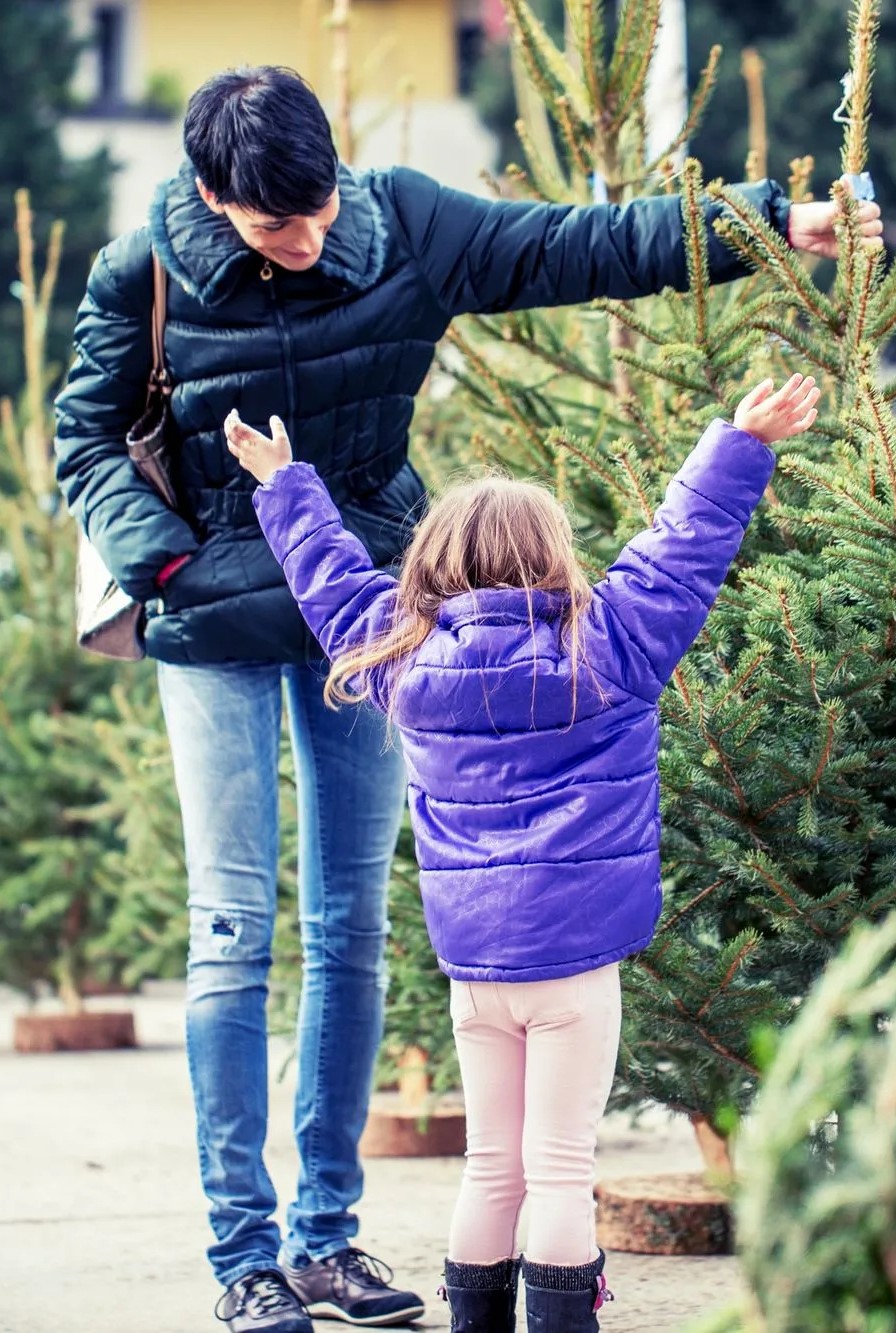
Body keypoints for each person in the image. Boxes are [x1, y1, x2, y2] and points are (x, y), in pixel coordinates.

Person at [53, 64, 878, 1333]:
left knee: (347, 925)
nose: (313, 236)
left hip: (380, 617)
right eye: (280, 223)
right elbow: (86, 437)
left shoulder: (402, 226)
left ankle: (327, 1239)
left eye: (321, 205)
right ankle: (244, 1254)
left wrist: (768, 224)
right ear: (215, 198)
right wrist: (170, 564)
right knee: (232, 926)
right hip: (212, 618)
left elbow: (579, 244)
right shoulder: (142, 274)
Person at [224, 371, 820, 1333]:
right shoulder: (611, 645)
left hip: (476, 971)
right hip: (576, 969)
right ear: (552, 559)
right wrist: (740, 442)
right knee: (559, 1170)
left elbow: (330, 583)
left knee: (491, 1166)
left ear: (434, 562)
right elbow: (681, 552)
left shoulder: (402, 660)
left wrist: (286, 480)